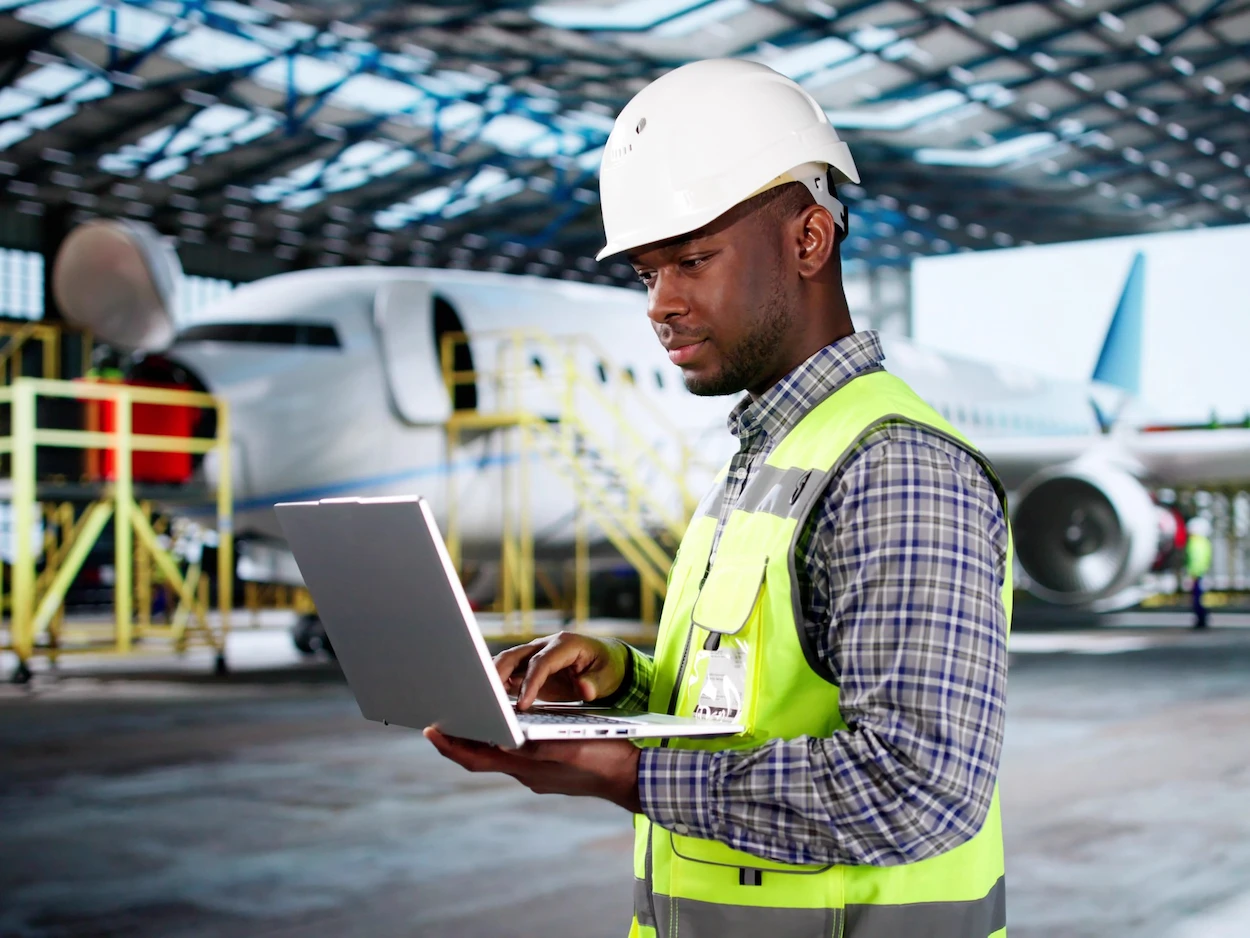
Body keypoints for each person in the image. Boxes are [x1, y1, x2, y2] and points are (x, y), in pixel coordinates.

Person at [426, 58, 1012, 938]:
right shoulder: (770, 453)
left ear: (809, 242)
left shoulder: (892, 466)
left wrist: (629, 776)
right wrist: (621, 683)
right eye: (645, 275)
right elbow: (747, 707)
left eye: (692, 260)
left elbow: (917, 788)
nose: (661, 304)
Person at [1186, 516, 1213, 629]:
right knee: (1199, 598)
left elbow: (1195, 559)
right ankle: (1202, 619)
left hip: (1197, 575)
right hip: (1200, 573)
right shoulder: (1204, 542)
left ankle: (1201, 620)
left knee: (1197, 599)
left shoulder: (1195, 542)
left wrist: (1193, 574)